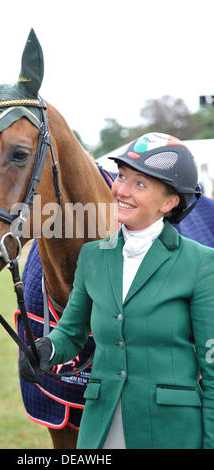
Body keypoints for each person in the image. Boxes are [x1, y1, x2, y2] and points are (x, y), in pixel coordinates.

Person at [19, 132, 214, 449]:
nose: (121, 190)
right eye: (122, 176)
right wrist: (47, 350)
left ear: (169, 201)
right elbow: (71, 332)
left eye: (140, 184)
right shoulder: (93, 257)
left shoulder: (201, 263)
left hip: (172, 429)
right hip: (101, 428)